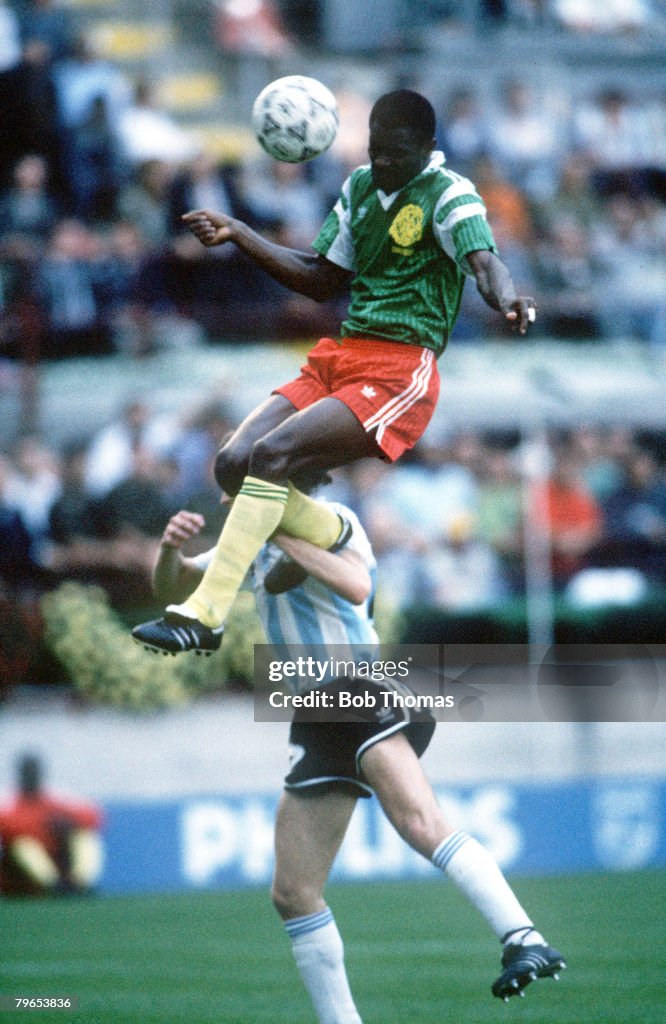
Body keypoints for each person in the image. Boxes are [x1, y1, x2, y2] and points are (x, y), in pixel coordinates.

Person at [131, 89, 537, 662]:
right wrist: (240, 233)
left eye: (397, 153)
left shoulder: (450, 194)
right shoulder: (359, 187)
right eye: (375, 150)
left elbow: (485, 263)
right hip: (345, 355)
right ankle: (330, 535)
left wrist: (510, 298)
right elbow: (321, 279)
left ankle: (203, 615)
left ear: (428, 146)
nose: (384, 163)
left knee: (270, 457)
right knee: (232, 464)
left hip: (401, 368)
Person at [139, 492, 566, 1016]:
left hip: (355, 686)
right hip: (315, 713)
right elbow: (176, 584)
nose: (233, 489)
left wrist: (277, 532)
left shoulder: (333, 518)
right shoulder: (251, 540)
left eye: (247, 476)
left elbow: (357, 582)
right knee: (294, 892)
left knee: (419, 822)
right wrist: (169, 547)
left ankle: (524, 938)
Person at [0, 752, 103, 897]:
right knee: (23, 845)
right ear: (21, 774)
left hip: (58, 862)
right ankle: (54, 885)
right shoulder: (8, 805)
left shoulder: (56, 801)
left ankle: (80, 883)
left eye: (34, 771)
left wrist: (70, 825)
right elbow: (10, 833)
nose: (32, 775)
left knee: (85, 837)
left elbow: (94, 817)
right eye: (28, 772)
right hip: (20, 874)